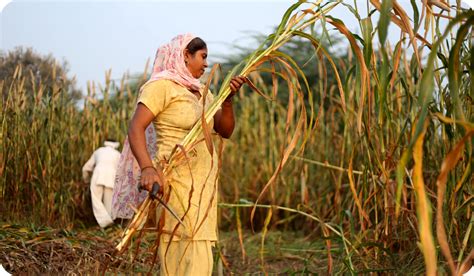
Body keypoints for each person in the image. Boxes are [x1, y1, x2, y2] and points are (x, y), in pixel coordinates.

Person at [112, 33, 246, 275]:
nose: (206, 64)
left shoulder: (202, 92)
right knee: (179, 246)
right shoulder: (161, 86)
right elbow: (136, 127)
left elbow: (224, 130)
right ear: (185, 55)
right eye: (203, 57)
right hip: (175, 183)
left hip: (202, 189)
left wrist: (227, 101)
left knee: (199, 249)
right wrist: (147, 168)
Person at [82, 139, 121, 228]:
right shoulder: (118, 154)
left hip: (98, 175)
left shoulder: (98, 151)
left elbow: (86, 168)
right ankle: (110, 225)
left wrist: (86, 180)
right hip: (111, 177)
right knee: (109, 203)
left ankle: (106, 222)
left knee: (96, 200)